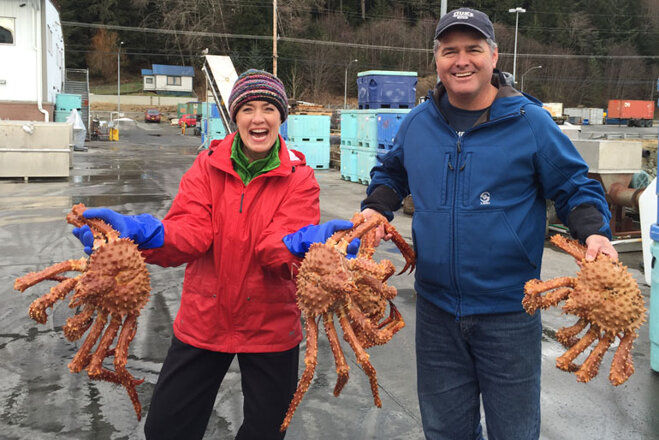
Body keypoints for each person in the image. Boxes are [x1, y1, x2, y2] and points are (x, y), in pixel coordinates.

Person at [360, 8, 617, 440]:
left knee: (513, 433)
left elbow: (575, 185)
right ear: (437, 59)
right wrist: (375, 208)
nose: (461, 60)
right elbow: (392, 173)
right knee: (444, 432)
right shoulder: (418, 123)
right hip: (437, 311)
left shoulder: (530, 122)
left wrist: (594, 232)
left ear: (494, 56)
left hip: (509, 314)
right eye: (450, 50)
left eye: (473, 49)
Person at [72, 69, 358, 439]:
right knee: (165, 429)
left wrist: (305, 242)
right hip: (204, 320)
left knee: (267, 432)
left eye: (269, 108)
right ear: (235, 117)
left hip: (270, 325)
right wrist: (141, 235)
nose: (259, 118)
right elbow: (189, 233)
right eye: (248, 108)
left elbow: (274, 249)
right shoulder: (206, 167)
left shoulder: (299, 177)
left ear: (281, 117)